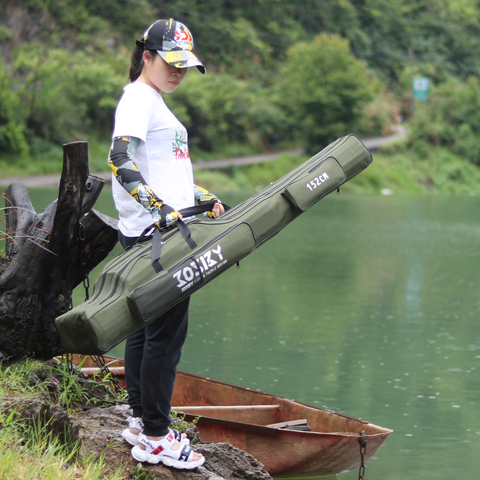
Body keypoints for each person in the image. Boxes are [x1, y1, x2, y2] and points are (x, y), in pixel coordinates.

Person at [108, 18, 224, 469]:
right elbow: (120, 159)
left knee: (145, 327)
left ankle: (140, 419)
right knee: (165, 337)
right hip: (157, 236)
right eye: (170, 63)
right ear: (147, 56)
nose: (178, 72)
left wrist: (199, 197)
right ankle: (156, 435)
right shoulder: (139, 98)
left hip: (162, 228)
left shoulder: (153, 101)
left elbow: (162, 171)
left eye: (185, 66)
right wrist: (158, 209)